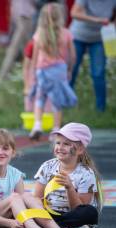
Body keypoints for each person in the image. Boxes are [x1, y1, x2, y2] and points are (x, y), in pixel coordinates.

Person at [31, 123, 102, 228]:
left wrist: (69, 187)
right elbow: (37, 198)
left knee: (90, 212)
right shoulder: (47, 166)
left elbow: (79, 208)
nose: (60, 147)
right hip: (49, 216)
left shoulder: (86, 173)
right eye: (58, 143)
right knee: (27, 201)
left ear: (80, 149)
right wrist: (41, 211)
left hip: (73, 217)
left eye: (66, 144)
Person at [28, 3, 77, 141]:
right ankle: (56, 129)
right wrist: (69, 69)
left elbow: (35, 56)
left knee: (40, 98)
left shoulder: (39, 34)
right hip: (59, 70)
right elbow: (72, 55)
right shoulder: (66, 33)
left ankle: (37, 125)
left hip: (42, 71)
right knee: (57, 101)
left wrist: (33, 73)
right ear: (60, 16)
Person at [69, 0, 116, 112]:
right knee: (72, 70)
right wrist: (97, 20)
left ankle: (101, 109)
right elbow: (74, 13)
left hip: (100, 38)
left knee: (98, 73)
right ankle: (66, 106)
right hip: (78, 36)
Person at [0, 0, 36, 79]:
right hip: (25, 16)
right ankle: (4, 74)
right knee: (20, 47)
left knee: (25, 47)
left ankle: (31, 71)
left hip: (18, 14)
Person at [22, 39, 54, 116]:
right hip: (33, 77)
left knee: (47, 102)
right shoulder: (32, 44)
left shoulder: (53, 44)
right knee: (30, 100)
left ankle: (45, 121)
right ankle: (30, 122)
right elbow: (26, 67)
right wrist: (26, 85)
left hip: (47, 77)